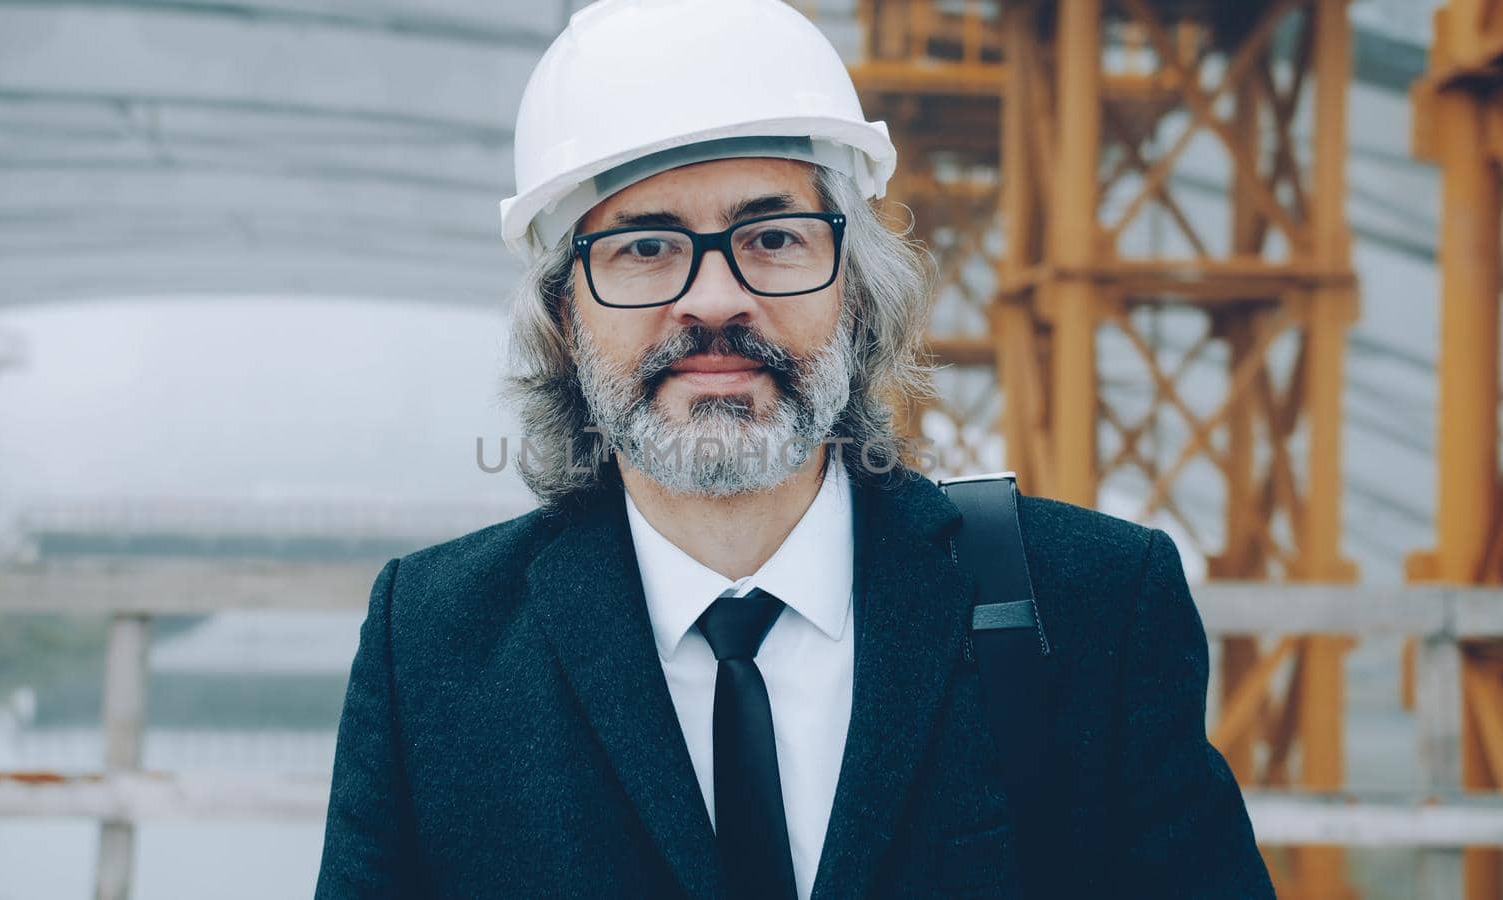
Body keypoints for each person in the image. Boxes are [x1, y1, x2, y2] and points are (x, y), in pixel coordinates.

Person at [315, 1, 1274, 897]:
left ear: (854, 290)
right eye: (645, 248)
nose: (715, 299)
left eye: (773, 238)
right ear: (565, 315)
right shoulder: (434, 648)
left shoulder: (1095, 607)